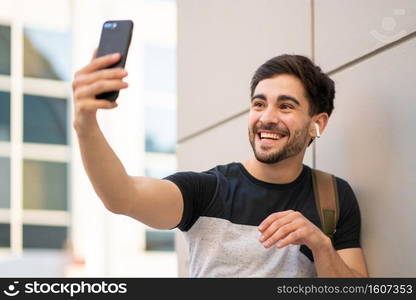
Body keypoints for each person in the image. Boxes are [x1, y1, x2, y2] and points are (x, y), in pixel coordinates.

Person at [72, 51, 369, 278]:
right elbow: (122, 196)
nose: (266, 117)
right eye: (259, 103)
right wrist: (85, 124)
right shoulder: (207, 190)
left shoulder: (334, 196)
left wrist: (319, 244)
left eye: (285, 106)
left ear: (317, 123)